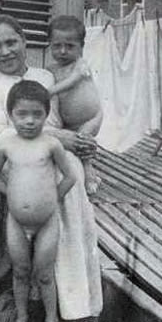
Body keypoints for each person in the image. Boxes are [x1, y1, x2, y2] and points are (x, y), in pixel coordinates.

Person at [0, 15, 103, 322]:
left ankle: (69, 313)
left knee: (64, 244)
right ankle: (17, 315)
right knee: (17, 261)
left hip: (57, 175)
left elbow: (71, 114)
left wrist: (85, 140)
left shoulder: (44, 75)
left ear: (24, 41)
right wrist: (61, 137)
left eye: (11, 42)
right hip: (16, 178)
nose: (5, 51)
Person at [0, 81, 77, 322]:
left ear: (46, 115)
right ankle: (22, 318)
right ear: (10, 115)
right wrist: (11, 194)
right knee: (21, 271)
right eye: (22, 114)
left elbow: (70, 177)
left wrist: (51, 199)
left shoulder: (51, 145)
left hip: (47, 221)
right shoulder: (7, 145)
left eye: (37, 114)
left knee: (45, 274)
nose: (29, 121)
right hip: (16, 221)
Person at [46, 15, 104, 194]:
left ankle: (89, 175)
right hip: (68, 122)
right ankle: (85, 175)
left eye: (70, 46)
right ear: (50, 44)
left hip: (91, 117)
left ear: (82, 47)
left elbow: (72, 82)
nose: (63, 51)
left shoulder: (81, 65)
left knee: (83, 144)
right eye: (57, 46)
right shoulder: (50, 70)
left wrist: (49, 92)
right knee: (74, 147)